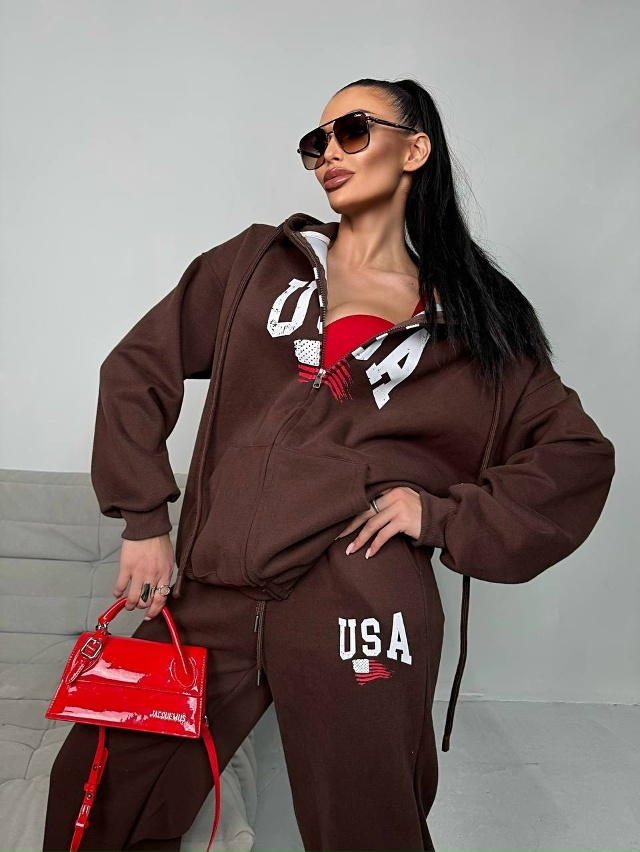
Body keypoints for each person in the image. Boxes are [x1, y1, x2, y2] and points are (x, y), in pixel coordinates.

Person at [42, 77, 615, 852]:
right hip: (213, 592)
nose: (327, 155)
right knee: (99, 786)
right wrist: (145, 520)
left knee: (367, 828)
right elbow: (137, 368)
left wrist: (439, 514)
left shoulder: (473, 319)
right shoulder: (257, 263)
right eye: (316, 143)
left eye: (352, 131)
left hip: (362, 605)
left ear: (415, 149)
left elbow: (576, 455)